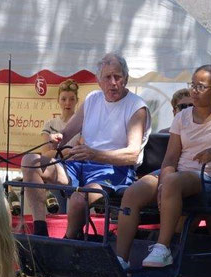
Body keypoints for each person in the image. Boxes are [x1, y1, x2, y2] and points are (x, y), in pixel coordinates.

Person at [115, 65, 211, 268]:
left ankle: (163, 248)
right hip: (177, 174)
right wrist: (163, 182)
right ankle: (121, 259)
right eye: (192, 85)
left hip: (206, 177)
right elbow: (170, 158)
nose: (194, 90)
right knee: (133, 192)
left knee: (173, 181)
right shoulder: (181, 117)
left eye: (201, 87)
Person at [37, 53, 150, 239]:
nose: (113, 82)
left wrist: (95, 154)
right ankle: (40, 230)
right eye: (107, 77)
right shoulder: (92, 99)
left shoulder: (136, 107)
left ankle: (69, 242)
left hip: (115, 171)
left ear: (126, 79)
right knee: (31, 162)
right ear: (99, 81)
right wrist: (58, 137)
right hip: (81, 164)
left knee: (77, 199)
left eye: (118, 77)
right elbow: (66, 134)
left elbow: (132, 154)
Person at [19, 79, 81, 231]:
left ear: (77, 101)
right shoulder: (50, 124)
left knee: (73, 213)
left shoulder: (82, 122)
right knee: (57, 214)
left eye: (72, 99)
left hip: (76, 171)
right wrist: (69, 150)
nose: (68, 103)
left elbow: (80, 150)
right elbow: (46, 153)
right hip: (56, 170)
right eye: (64, 99)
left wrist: (59, 151)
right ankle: (44, 233)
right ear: (58, 101)